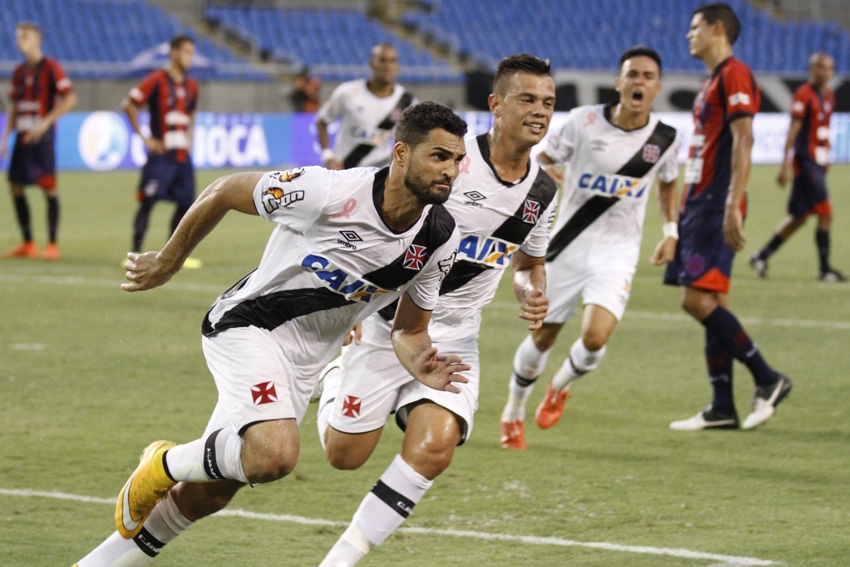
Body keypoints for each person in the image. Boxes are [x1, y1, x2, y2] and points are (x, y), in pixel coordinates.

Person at [72, 101, 469, 567]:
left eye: (458, 159)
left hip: (305, 364)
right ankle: (162, 463)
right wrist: (168, 260)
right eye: (439, 156)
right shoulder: (327, 191)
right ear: (401, 154)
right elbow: (225, 190)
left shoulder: (440, 237)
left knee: (210, 493)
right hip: (248, 325)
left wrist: (420, 360)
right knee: (274, 456)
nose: (451, 170)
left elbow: (409, 329)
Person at [315, 54, 557, 566]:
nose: (540, 111)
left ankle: (339, 561)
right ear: (496, 105)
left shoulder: (543, 191)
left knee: (434, 447)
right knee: (344, 456)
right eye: (527, 99)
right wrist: (350, 310)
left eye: (548, 102)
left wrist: (529, 289)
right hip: (390, 325)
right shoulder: (449, 161)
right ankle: (334, 375)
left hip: (455, 336)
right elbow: (378, 224)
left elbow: (528, 263)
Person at [499, 46, 681, 449]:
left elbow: (669, 181)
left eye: (647, 76)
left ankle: (560, 385)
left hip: (618, 252)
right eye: (632, 74)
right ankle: (513, 411)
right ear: (618, 82)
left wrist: (671, 230)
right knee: (543, 336)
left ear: (657, 87)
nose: (639, 82)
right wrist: (548, 169)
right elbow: (542, 156)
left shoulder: (666, 138)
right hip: (567, 246)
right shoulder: (584, 122)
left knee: (596, 338)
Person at [665, 3, 791, 431]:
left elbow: (744, 140)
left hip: (716, 201)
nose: (689, 35)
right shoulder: (711, 81)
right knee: (712, 302)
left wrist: (733, 202)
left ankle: (768, 378)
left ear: (718, 29)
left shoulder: (735, 74)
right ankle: (722, 407)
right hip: (698, 202)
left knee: (694, 300)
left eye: (695, 27)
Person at [749, 52, 845, 281]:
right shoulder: (804, 94)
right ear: (812, 69)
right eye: (821, 68)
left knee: (799, 217)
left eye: (829, 68)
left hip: (818, 163)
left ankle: (761, 256)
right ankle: (824, 269)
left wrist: (826, 157)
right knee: (826, 212)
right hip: (805, 161)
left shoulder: (829, 95)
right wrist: (785, 164)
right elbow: (793, 130)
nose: (826, 72)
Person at [1, 21, 77, 260]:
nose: (20, 41)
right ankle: (28, 243)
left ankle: (52, 244)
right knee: (15, 186)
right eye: (18, 37)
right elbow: (15, 107)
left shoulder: (51, 67)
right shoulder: (19, 71)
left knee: (48, 187)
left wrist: (46, 122)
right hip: (22, 137)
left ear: (37, 39)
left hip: (42, 139)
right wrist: (5, 138)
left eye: (25, 36)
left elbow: (70, 99)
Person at [124, 35, 202, 269]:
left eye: (192, 53)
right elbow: (129, 105)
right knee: (148, 201)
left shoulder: (192, 86)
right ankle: (134, 254)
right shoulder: (156, 80)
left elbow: (191, 113)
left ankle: (173, 256)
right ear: (174, 53)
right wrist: (145, 138)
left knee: (187, 205)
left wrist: (190, 137)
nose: (190, 58)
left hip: (182, 157)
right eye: (186, 52)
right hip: (161, 157)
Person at [315, 43, 416, 170]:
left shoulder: (407, 102)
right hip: (345, 170)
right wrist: (327, 156)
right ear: (371, 64)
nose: (387, 66)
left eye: (392, 61)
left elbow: (416, 138)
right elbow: (322, 121)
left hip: (380, 173)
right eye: (382, 60)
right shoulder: (347, 92)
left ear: (397, 65)